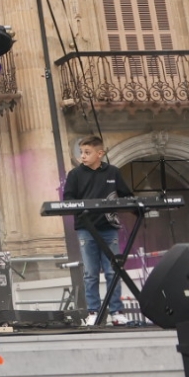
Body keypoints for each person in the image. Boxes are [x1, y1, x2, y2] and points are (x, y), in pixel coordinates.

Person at [62, 135, 133, 326]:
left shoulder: (113, 173)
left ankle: (116, 312)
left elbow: (127, 196)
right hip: (86, 229)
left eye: (87, 152)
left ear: (100, 153)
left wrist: (138, 205)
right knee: (90, 273)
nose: (82, 156)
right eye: (81, 153)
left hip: (109, 228)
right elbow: (67, 199)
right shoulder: (75, 175)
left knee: (112, 271)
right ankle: (93, 311)